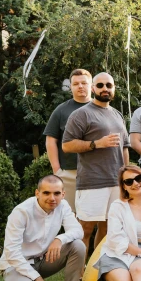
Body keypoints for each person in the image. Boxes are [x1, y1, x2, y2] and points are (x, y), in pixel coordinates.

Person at [0, 175, 89, 281]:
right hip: (15, 264)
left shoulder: (63, 205)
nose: (52, 198)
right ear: (37, 193)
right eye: (46, 193)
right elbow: (12, 253)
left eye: (57, 193)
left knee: (78, 246)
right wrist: (38, 279)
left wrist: (59, 239)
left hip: (43, 259)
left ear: (63, 194)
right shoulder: (21, 212)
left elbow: (78, 231)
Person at [62, 72, 130, 254]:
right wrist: (96, 144)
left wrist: (126, 175)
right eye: (100, 85)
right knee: (84, 229)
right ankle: (78, 275)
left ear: (114, 88)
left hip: (116, 182)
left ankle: (99, 269)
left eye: (109, 85)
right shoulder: (81, 114)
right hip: (92, 182)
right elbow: (67, 145)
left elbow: (125, 147)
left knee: (109, 229)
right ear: (93, 88)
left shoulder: (117, 114)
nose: (105, 89)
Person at [43, 68, 92, 212]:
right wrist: (57, 170)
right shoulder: (61, 110)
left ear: (92, 85)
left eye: (84, 83)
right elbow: (51, 139)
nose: (80, 86)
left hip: (97, 172)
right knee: (70, 216)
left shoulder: (102, 108)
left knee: (98, 217)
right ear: (70, 86)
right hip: (69, 173)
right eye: (76, 84)